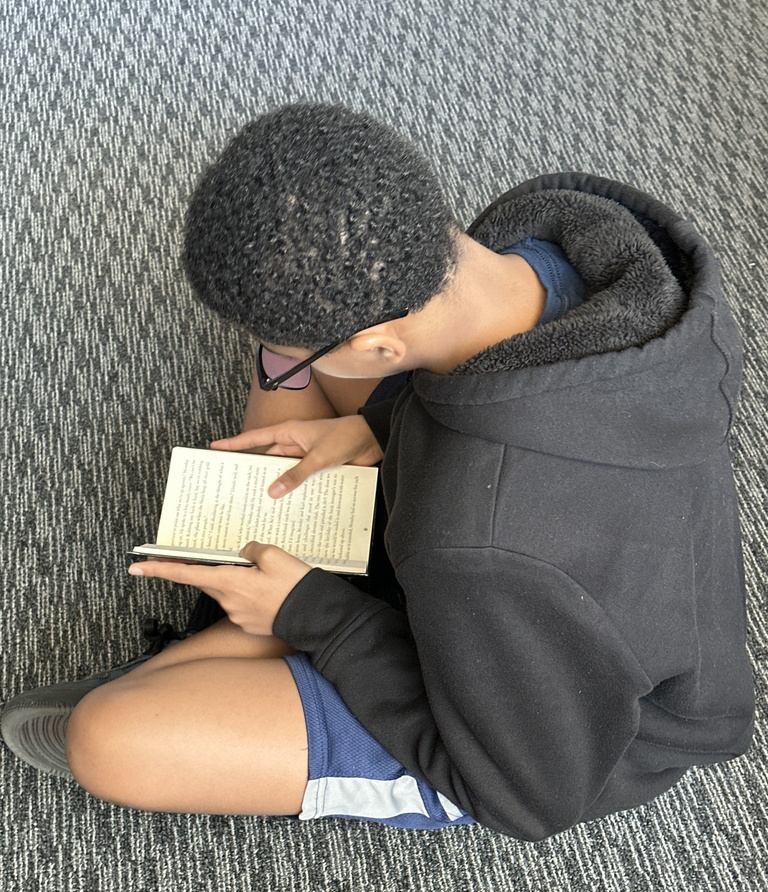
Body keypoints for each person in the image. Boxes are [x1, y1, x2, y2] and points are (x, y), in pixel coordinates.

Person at [1, 103, 754, 840]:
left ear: (379, 347)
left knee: (108, 739)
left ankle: (228, 651)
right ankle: (236, 641)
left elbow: (531, 794)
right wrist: (377, 424)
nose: (277, 354)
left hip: (542, 734)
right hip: (518, 545)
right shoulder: (558, 238)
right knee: (289, 371)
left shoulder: (471, 539)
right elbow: (492, 382)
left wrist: (316, 616)